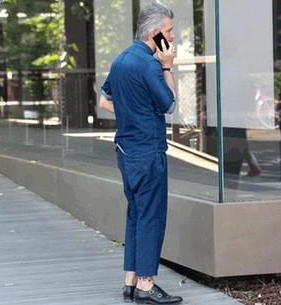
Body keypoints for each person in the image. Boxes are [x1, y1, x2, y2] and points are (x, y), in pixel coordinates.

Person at [99, 3, 182, 304]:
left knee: (135, 213)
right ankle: (146, 285)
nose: (172, 37)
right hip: (148, 152)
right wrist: (168, 66)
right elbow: (170, 104)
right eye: (169, 31)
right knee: (151, 217)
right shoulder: (149, 64)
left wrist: (131, 115)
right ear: (154, 33)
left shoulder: (121, 60)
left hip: (126, 150)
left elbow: (104, 99)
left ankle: (130, 280)